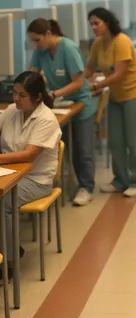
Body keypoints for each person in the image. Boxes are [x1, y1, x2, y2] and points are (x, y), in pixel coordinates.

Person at [27, 18, 96, 207]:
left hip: (80, 103)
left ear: (49, 34)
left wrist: (53, 94)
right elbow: (31, 74)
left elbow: (78, 82)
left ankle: (86, 187)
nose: (35, 44)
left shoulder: (69, 48)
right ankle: (61, 184)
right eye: (32, 41)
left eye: (37, 40)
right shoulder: (40, 52)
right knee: (60, 149)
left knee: (82, 150)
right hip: (59, 105)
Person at [0, 72, 61, 275]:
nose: (15, 98)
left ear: (37, 97)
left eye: (22, 95)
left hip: (36, 179)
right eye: (14, 93)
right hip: (10, 173)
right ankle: (7, 247)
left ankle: (9, 262)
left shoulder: (46, 119)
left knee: (5, 203)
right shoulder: (11, 111)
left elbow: (29, 155)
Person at [85, 7, 136, 198]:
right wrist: (78, 81)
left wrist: (96, 86)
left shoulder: (121, 41)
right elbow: (89, 69)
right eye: (91, 24)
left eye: (97, 23)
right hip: (116, 97)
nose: (93, 27)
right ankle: (120, 180)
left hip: (134, 94)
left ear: (108, 22)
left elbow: (119, 73)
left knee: (134, 141)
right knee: (115, 141)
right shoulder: (98, 44)